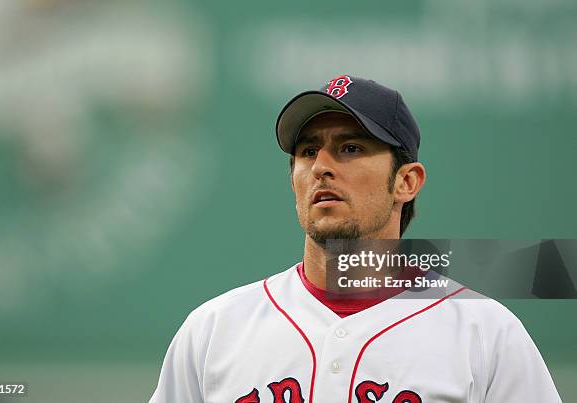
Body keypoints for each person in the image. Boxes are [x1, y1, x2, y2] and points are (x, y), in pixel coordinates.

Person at [149, 75, 561, 402]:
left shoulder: (485, 335)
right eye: (308, 152)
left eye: (349, 147)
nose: (321, 167)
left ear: (406, 182)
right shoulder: (214, 331)